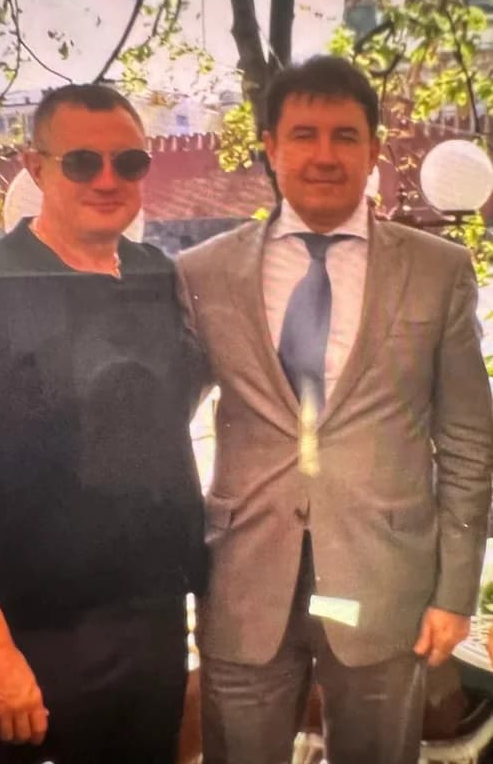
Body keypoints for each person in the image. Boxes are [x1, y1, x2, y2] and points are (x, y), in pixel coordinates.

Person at [176, 55, 493, 764]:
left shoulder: (437, 270)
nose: (325, 154)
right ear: (270, 146)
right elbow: (158, 425)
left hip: (386, 581)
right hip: (243, 577)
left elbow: (469, 442)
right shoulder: (203, 274)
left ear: (374, 149)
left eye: (345, 136)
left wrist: (455, 591)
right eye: (304, 134)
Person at [0, 83, 207, 764]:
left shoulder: (155, 277)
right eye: (81, 162)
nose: (107, 180)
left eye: (128, 162)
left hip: (156, 619)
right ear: (36, 167)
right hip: (35, 635)